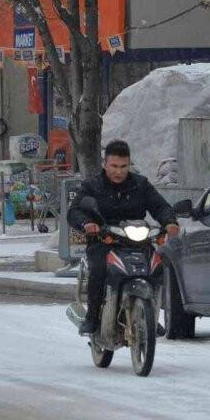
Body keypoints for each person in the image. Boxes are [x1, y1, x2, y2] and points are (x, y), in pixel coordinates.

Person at [67, 139, 180, 336]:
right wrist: (87, 224)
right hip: (104, 241)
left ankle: (150, 314)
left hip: (137, 241)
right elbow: (75, 211)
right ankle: (92, 317)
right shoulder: (93, 186)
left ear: (129, 165)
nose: (119, 171)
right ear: (105, 164)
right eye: (114, 166)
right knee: (100, 269)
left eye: (123, 166)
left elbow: (160, 206)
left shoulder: (140, 185)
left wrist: (169, 222)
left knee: (156, 268)